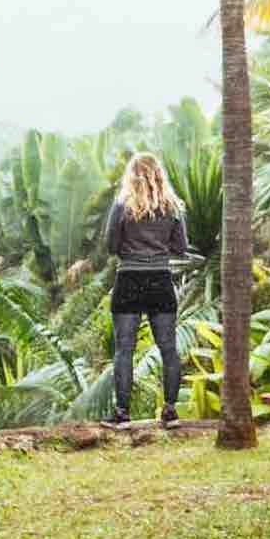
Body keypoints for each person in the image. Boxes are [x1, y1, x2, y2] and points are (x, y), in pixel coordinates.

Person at [104, 152, 189, 428]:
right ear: (159, 175)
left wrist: (133, 249)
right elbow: (181, 247)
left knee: (124, 350)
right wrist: (158, 249)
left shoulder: (122, 206)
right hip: (160, 280)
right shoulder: (173, 207)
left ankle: (122, 413)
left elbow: (110, 245)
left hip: (129, 278)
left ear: (132, 176)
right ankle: (170, 411)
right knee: (168, 349)